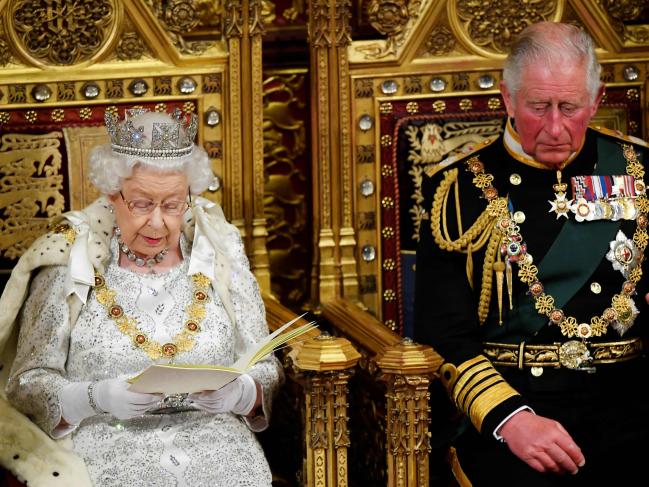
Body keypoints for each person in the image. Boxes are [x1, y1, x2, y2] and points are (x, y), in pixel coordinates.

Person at [414, 22, 648, 486]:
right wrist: (510, 419)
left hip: (631, 405)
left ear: (596, 101)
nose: (556, 126)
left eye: (570, 107)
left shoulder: (638, 170)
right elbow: (444, 333)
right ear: (508, 99)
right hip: (516, 405)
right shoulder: (458, 189)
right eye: (539, 107)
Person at [0, 108, 284, 486]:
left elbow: (266, 364)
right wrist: (94, 397)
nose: (157, 222)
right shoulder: (69, 259)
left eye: (172, 205)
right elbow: (26, 382)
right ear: (112, 194)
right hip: (109, 447)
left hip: (221, 449)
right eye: (141, 203)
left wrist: (242, 392)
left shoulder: (220, 252)